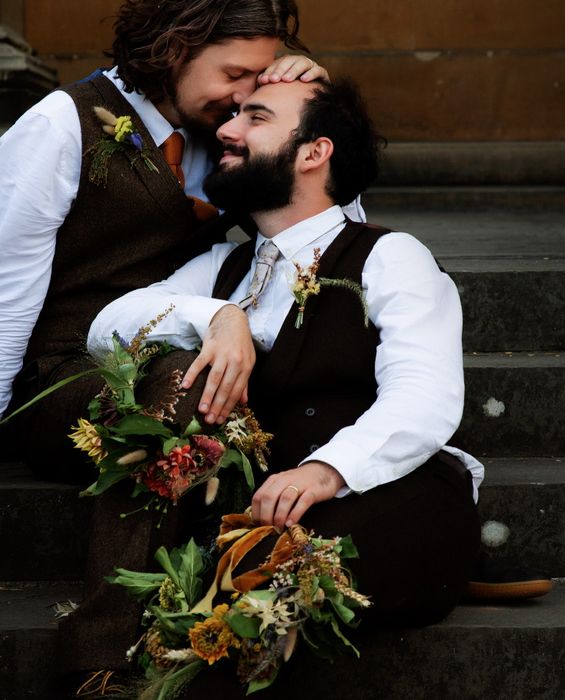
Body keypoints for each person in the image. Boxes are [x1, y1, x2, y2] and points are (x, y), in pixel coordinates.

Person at [0, 0, 359, 511]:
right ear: (174, 49)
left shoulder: (231, 132)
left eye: (260, 76)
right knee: (193, 388)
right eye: (235, 73)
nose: (245, 94)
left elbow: (327, 239)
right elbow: (5, 299)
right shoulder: (57, 126)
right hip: (70, 377)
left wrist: (315, 107)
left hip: (206, 352)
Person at [88, 77, 485, 649]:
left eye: (255, 117)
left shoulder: (390, 255)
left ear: (313, 152)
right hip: (264, 514)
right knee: (222, 595)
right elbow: (107, 331)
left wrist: (325, 472)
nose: (225, 129)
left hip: (394, 501)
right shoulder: (224, 267)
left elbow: (425, 395)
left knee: (256, 597)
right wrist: (217, 318)